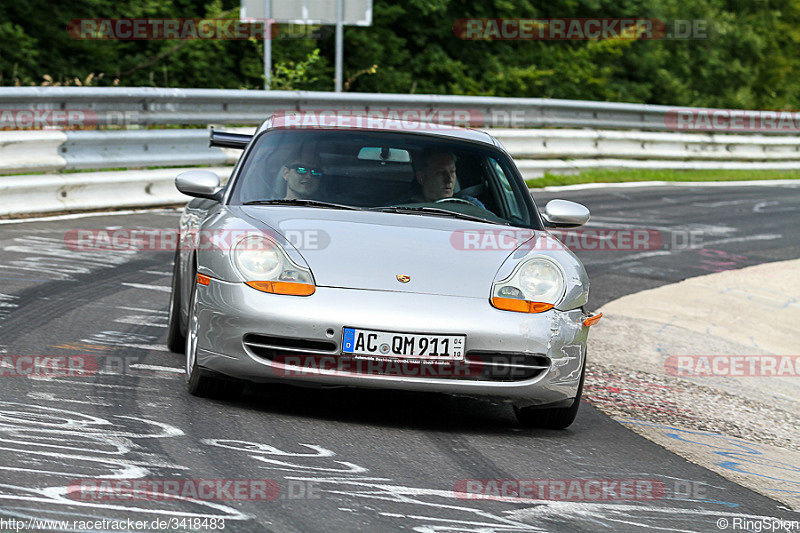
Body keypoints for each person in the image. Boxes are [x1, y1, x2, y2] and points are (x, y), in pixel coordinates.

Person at [412, 150, 484, 207]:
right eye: (440, 173)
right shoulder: (406, 208)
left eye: (452, 171)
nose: (449, 180)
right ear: (421, 177)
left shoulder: (471, 205)